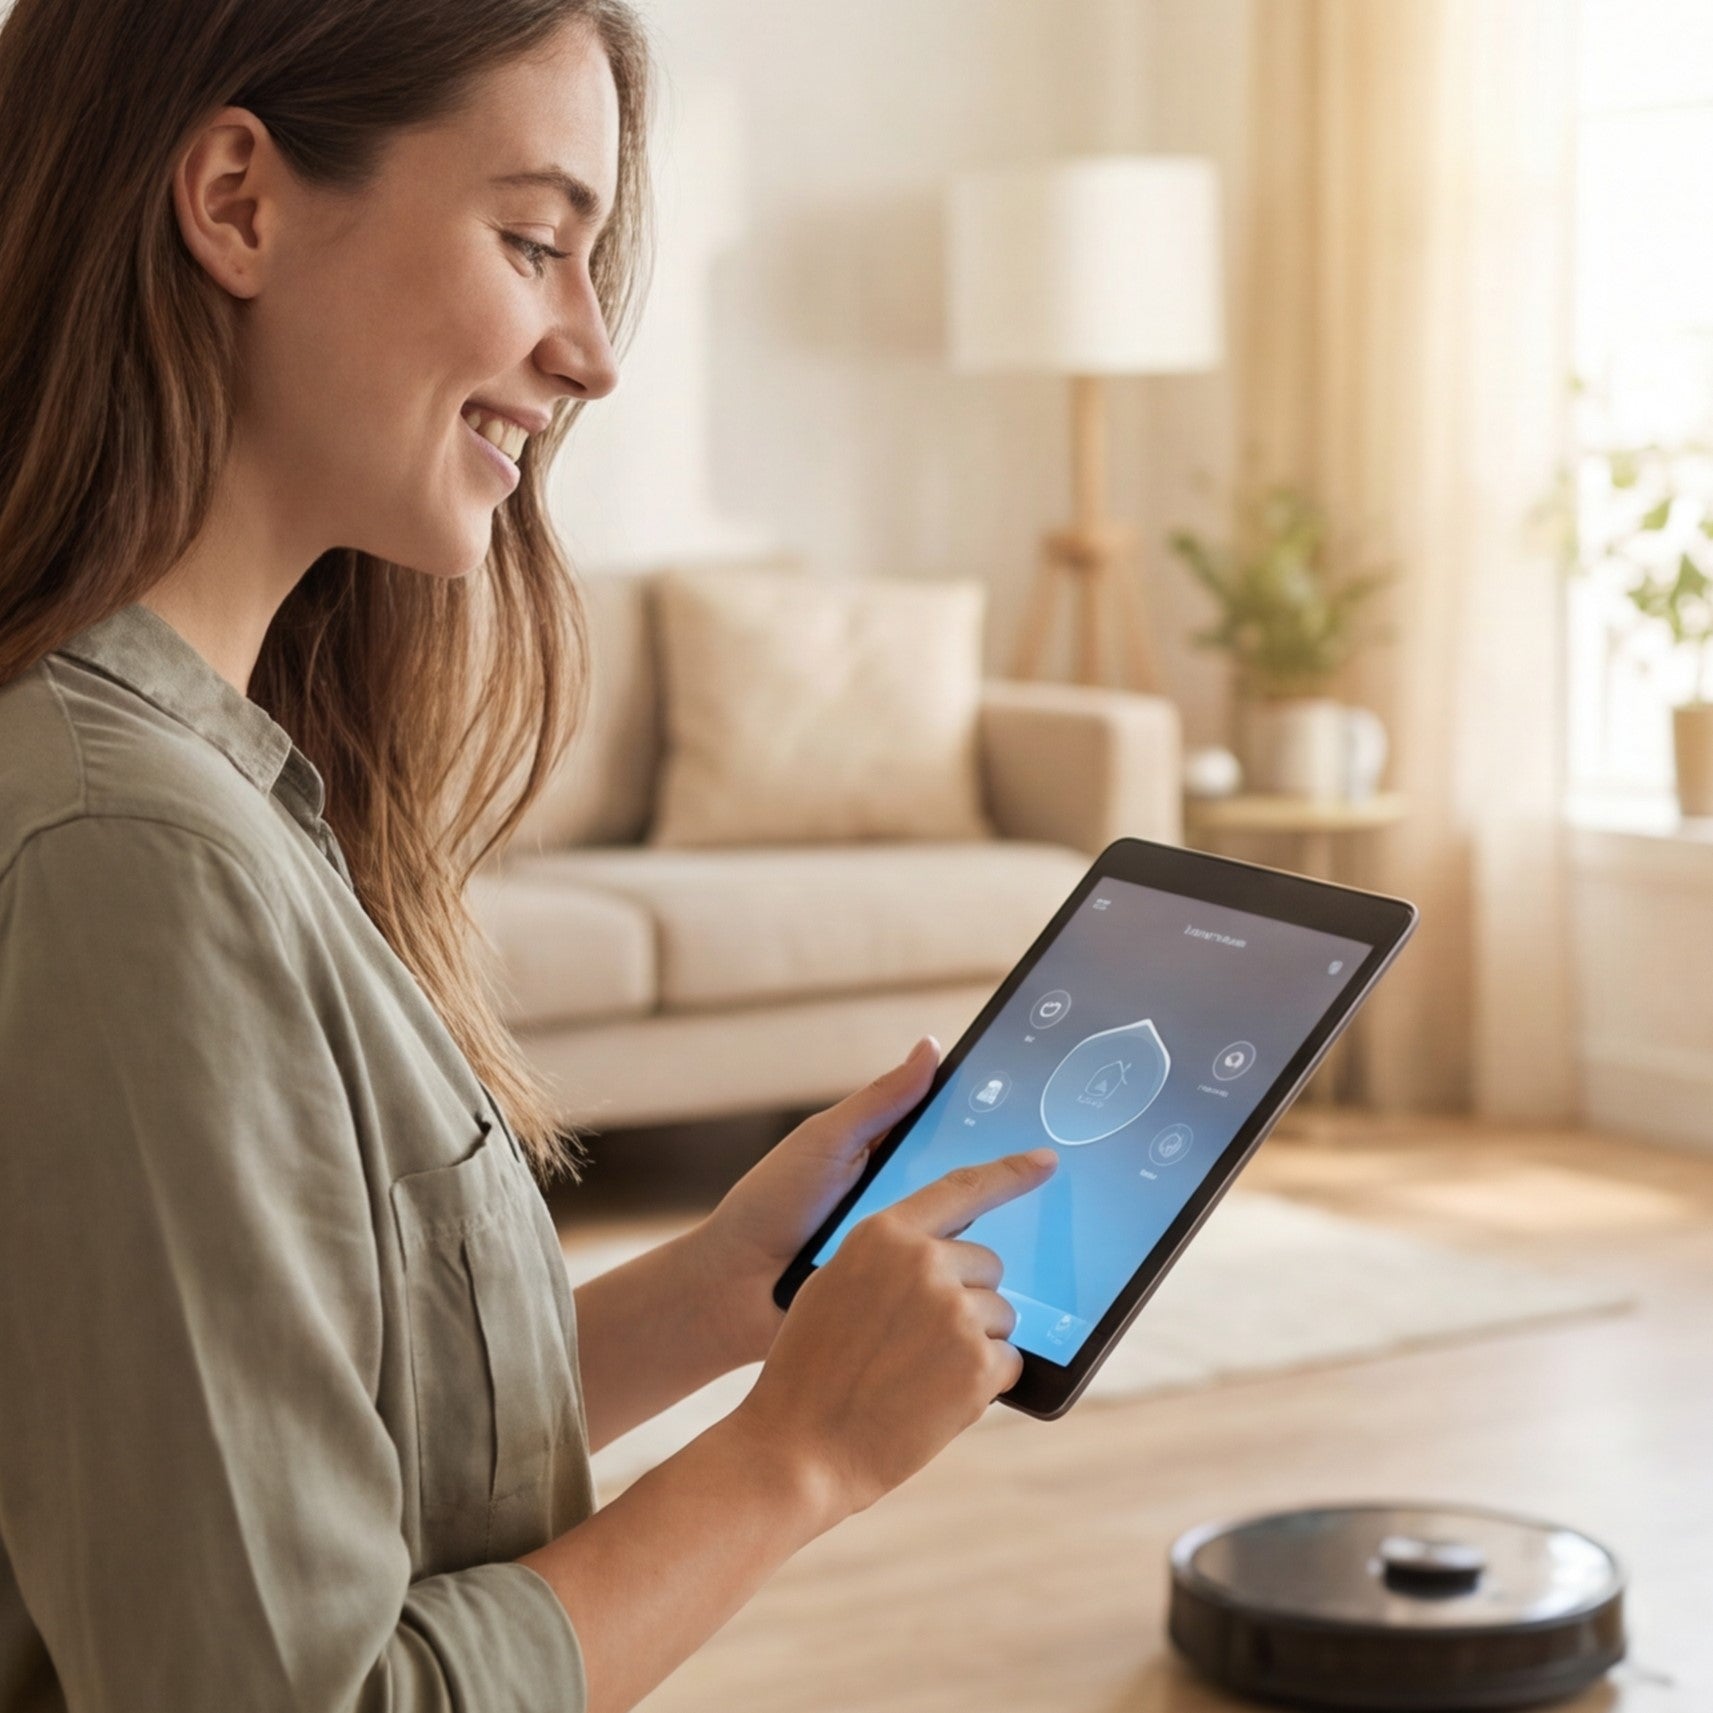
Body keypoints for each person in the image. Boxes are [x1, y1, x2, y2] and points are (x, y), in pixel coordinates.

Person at [0, 2, 1059, 1710]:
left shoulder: (207, 777)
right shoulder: (130, 850)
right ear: (237, 203)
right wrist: (792, 1460)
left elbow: (284, 1453)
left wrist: (722, 1290)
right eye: (532, 241)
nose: (590, 350)